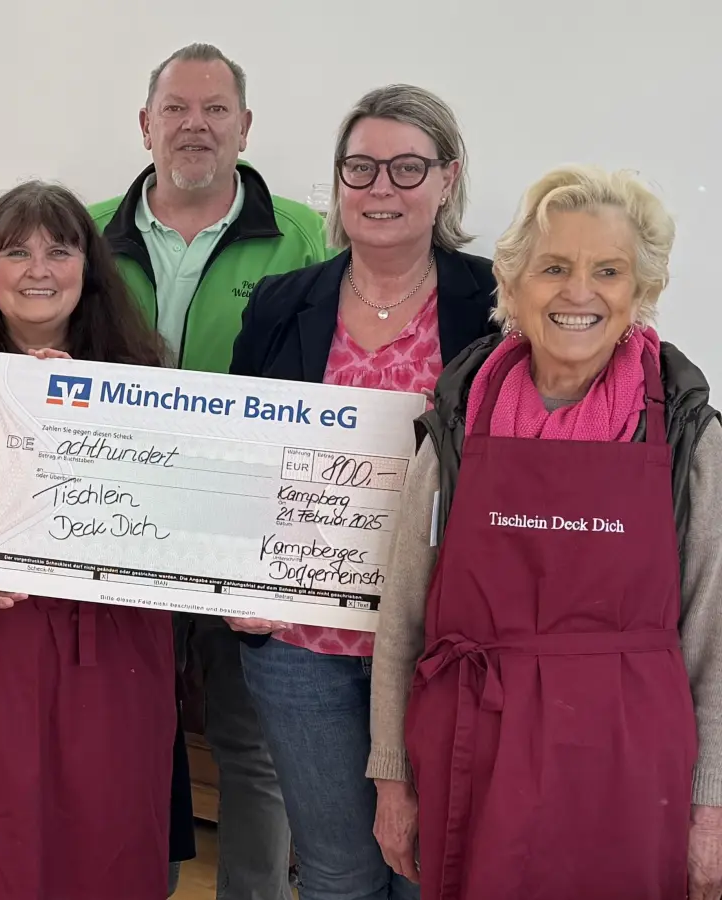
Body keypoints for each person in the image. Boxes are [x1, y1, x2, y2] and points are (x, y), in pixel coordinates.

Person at [369, 164, 722, 900]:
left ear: (641, 291)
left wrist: (711, 807)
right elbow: (402, 614)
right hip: (479, 751)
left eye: (609, 271)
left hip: (632, 775)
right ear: (516, 282)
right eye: (554, 267)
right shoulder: (460, 418)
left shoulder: (688, 434)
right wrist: (393, 779)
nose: (580, 292)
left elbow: (714, 642)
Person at [226, 85, 496, 900]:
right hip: (305, 646)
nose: (382, 188)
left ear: (448, 179)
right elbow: (243, 454)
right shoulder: (283, 302)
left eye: (407, 167)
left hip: (438, 648)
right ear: (339, 182)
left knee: (434, 874)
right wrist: (238, 577)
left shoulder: (497, 305)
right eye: (361, 167)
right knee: (337, 873)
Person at [0, 180, 177, 900]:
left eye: (59, 250)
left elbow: (167, 523)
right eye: (15, 251)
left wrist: (90, 415)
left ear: (89, 268)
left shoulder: (140, 380)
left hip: (111, 652)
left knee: (102, 842)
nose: (37, 268)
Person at [90, 42, 329, 898]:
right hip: (116, 528)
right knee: (126, 730)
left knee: (250, 744)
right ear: (145, 124)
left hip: (247, 534)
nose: (195, 125)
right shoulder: (84, 231)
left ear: (245, 127)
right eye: (178, 109)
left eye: (215, 109)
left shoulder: (305, 234)